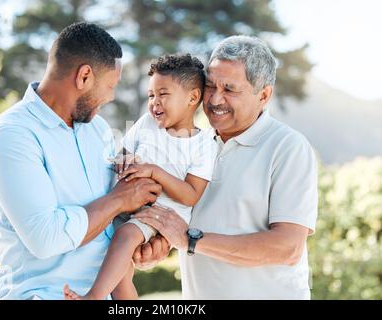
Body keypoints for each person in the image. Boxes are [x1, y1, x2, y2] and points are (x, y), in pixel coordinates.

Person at [0, 22, 167, 300]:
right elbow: (46, 238)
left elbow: (107, 218)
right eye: (110, 85)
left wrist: (143, 238)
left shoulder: (98, 129)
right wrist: (120, 199)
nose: (112, 96)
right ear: (84, 76)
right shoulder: (11, 136)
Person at [134, 35, 318, 299]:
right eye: (210, 86)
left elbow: (288, 247)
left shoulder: (288, 147)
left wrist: (190, 240)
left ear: (263, 95)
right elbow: (181, 222)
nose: (215, 99)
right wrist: (160, 245)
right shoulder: (193, 145)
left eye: (230, 90)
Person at [63, 54, 218, 300]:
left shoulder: (203, 144)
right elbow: (124, 154)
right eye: (151, 95)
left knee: (124, 237)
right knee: (119, 274)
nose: (155, 102)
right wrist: (124, 162)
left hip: (157, 215)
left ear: (192, 97)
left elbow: (191, 195)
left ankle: (93, 297)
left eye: (163, 94)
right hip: (126, 203)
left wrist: (154, 172)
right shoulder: (147, 123)